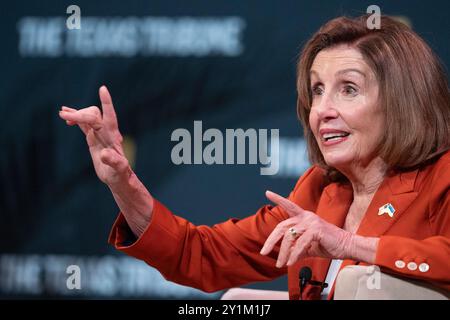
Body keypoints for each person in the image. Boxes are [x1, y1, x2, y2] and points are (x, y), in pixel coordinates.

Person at [58, 15, 450, 300]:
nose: (323, 110)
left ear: (401, 100)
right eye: (316, 90)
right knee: (236, 304)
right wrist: (123, 184)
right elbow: (199, 255)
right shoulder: (318, 190)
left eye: (348, 89)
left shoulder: (441, 176)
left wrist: (351, 245)